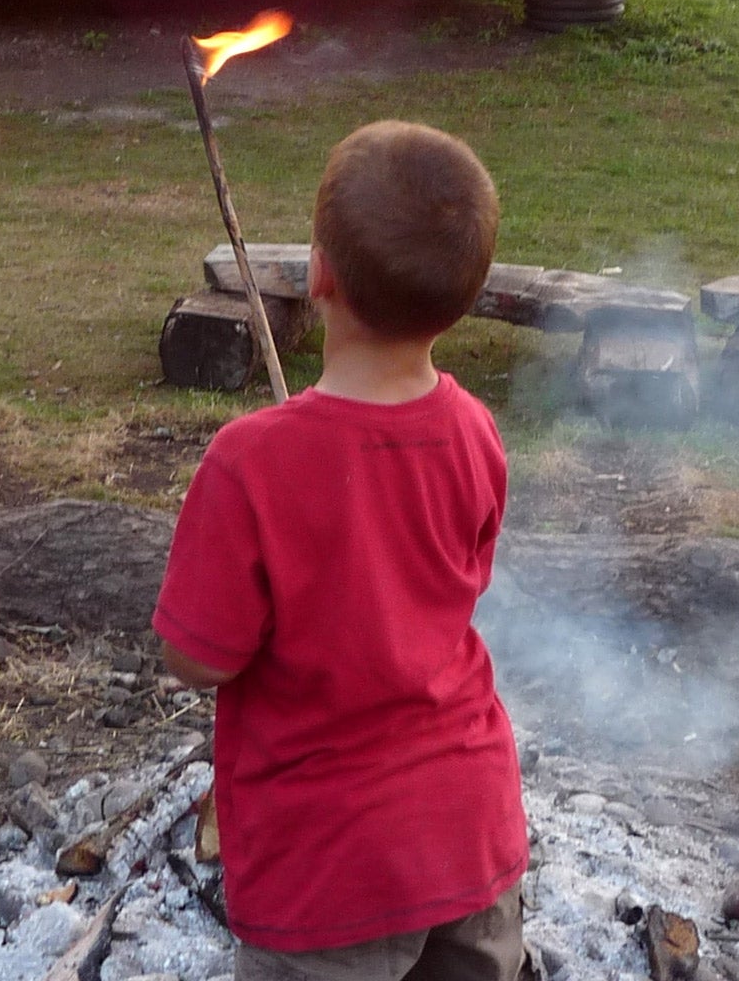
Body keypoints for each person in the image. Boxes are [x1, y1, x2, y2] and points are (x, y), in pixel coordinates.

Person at [154, 121, 529, 981]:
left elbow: (195, 659)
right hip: (471, 831)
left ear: (317, 274)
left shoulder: (249, 463)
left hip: (328, 871)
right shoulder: (476, 430)